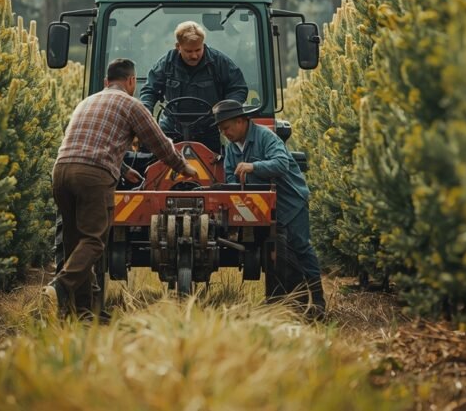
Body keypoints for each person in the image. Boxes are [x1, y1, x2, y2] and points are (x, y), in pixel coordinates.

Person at [44, 58, 198, 317]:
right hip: (93, 177)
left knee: (75, 244)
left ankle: (83, 312)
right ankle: (59, 287)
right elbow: (158, 143)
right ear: (130, 82)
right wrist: (184, 168)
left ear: (106, 82)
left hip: (61, 172)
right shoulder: (131, 104)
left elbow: (90, 143)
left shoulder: (87, 102)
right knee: (94, 241)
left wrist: (125, 169)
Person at [212, 99, 326, 320]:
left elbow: (281, 164)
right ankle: (281, 302)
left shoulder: (266, 137)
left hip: (289, 203)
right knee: (275, 253)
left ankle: (318, 301)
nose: (224, 133)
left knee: (301, 248)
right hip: (262, 210)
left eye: (226, 128)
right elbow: (230, 178)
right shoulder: (231, 148)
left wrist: (253, 166)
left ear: (241, 121)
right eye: (220, 129)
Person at [139, 21, 248, 154]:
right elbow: (149, 90)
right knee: (150, 157)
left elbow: (238, 88)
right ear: (178, 46)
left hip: (208, 128)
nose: (194, 55)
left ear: (203, 44)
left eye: (198, 50)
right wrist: (145, 113)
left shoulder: (219, 62)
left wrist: (226, 112)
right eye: (189, 51)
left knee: (216, 166)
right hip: (172, 127)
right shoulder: (166, 64)